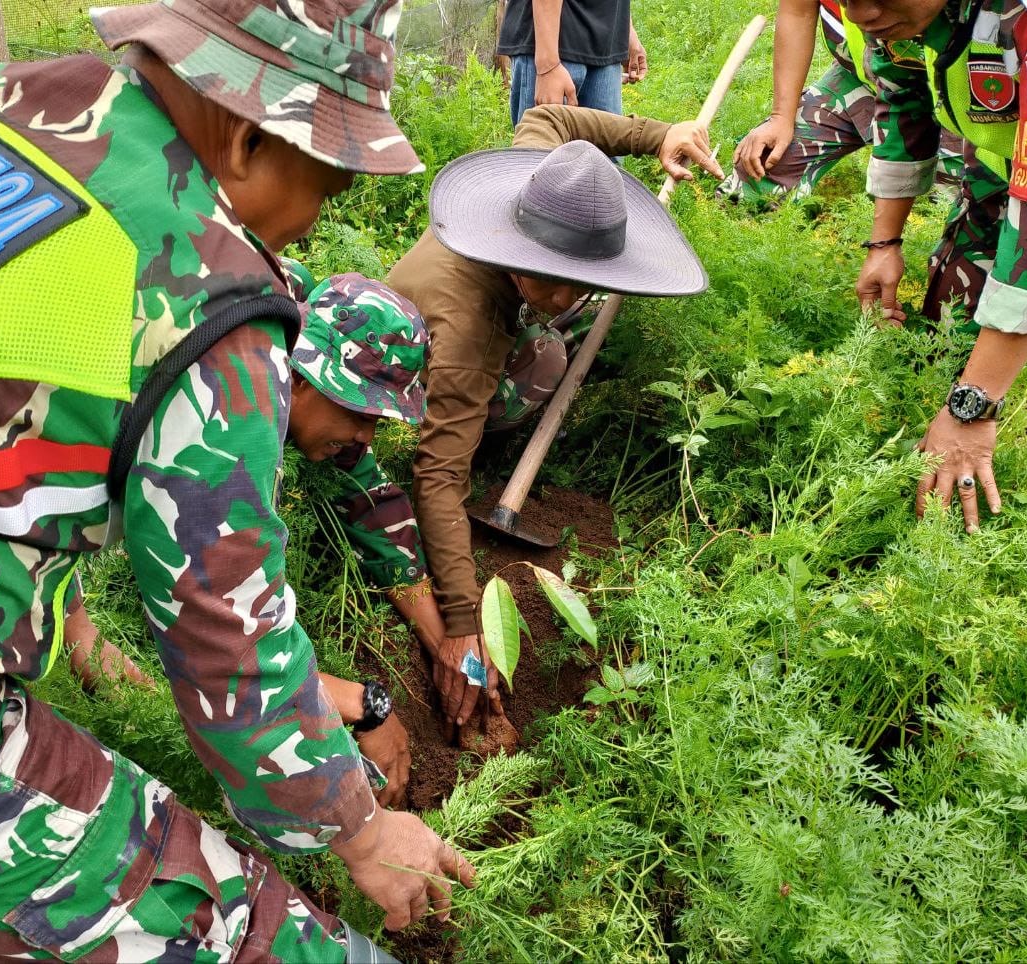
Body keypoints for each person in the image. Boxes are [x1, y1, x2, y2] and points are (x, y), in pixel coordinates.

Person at [0, 0, 474, 959]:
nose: (309, 228)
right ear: (247, 136)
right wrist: (359, 830)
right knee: (268, 942)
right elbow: (226, 642)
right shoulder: (205, 294)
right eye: (328, 187)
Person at [387, 105, 723, 731]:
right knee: (546, 357)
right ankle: (487, 429)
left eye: (582, 280)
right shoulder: (471, 332)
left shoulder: (544, 177)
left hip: (462, 324)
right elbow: (436, 476)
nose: (571, 296)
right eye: (553, 281)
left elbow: (551, 115)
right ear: (516, 253)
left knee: (550, 330)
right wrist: (462, 625)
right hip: (416, 370)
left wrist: (658, 137)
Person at [67, 271, 437, 809]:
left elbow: (370, 496)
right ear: (304, 378)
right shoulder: (225, 430)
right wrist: (364, 704)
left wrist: (445, 637)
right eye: (360, 414)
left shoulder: (284, 318)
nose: (364, 436)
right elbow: (224, 627)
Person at [844, 0, 1027, 532]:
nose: (860, 13)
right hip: (1015, 165)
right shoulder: (907, 17)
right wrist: (884, 242)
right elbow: (903, 105)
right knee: (947, 316)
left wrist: (974, 407)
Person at [719, 0, 963, 204]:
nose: (855, 13)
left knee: (954, 197)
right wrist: (781, 117)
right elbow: (798, 12)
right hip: (862, 80)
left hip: (956, 87)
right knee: (763, 164)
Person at [496, 0, 648, 125]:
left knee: (604, 160)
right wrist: (548, 64)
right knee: (542, 156)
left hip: (606, 44)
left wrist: (627, 30)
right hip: (553, 46)